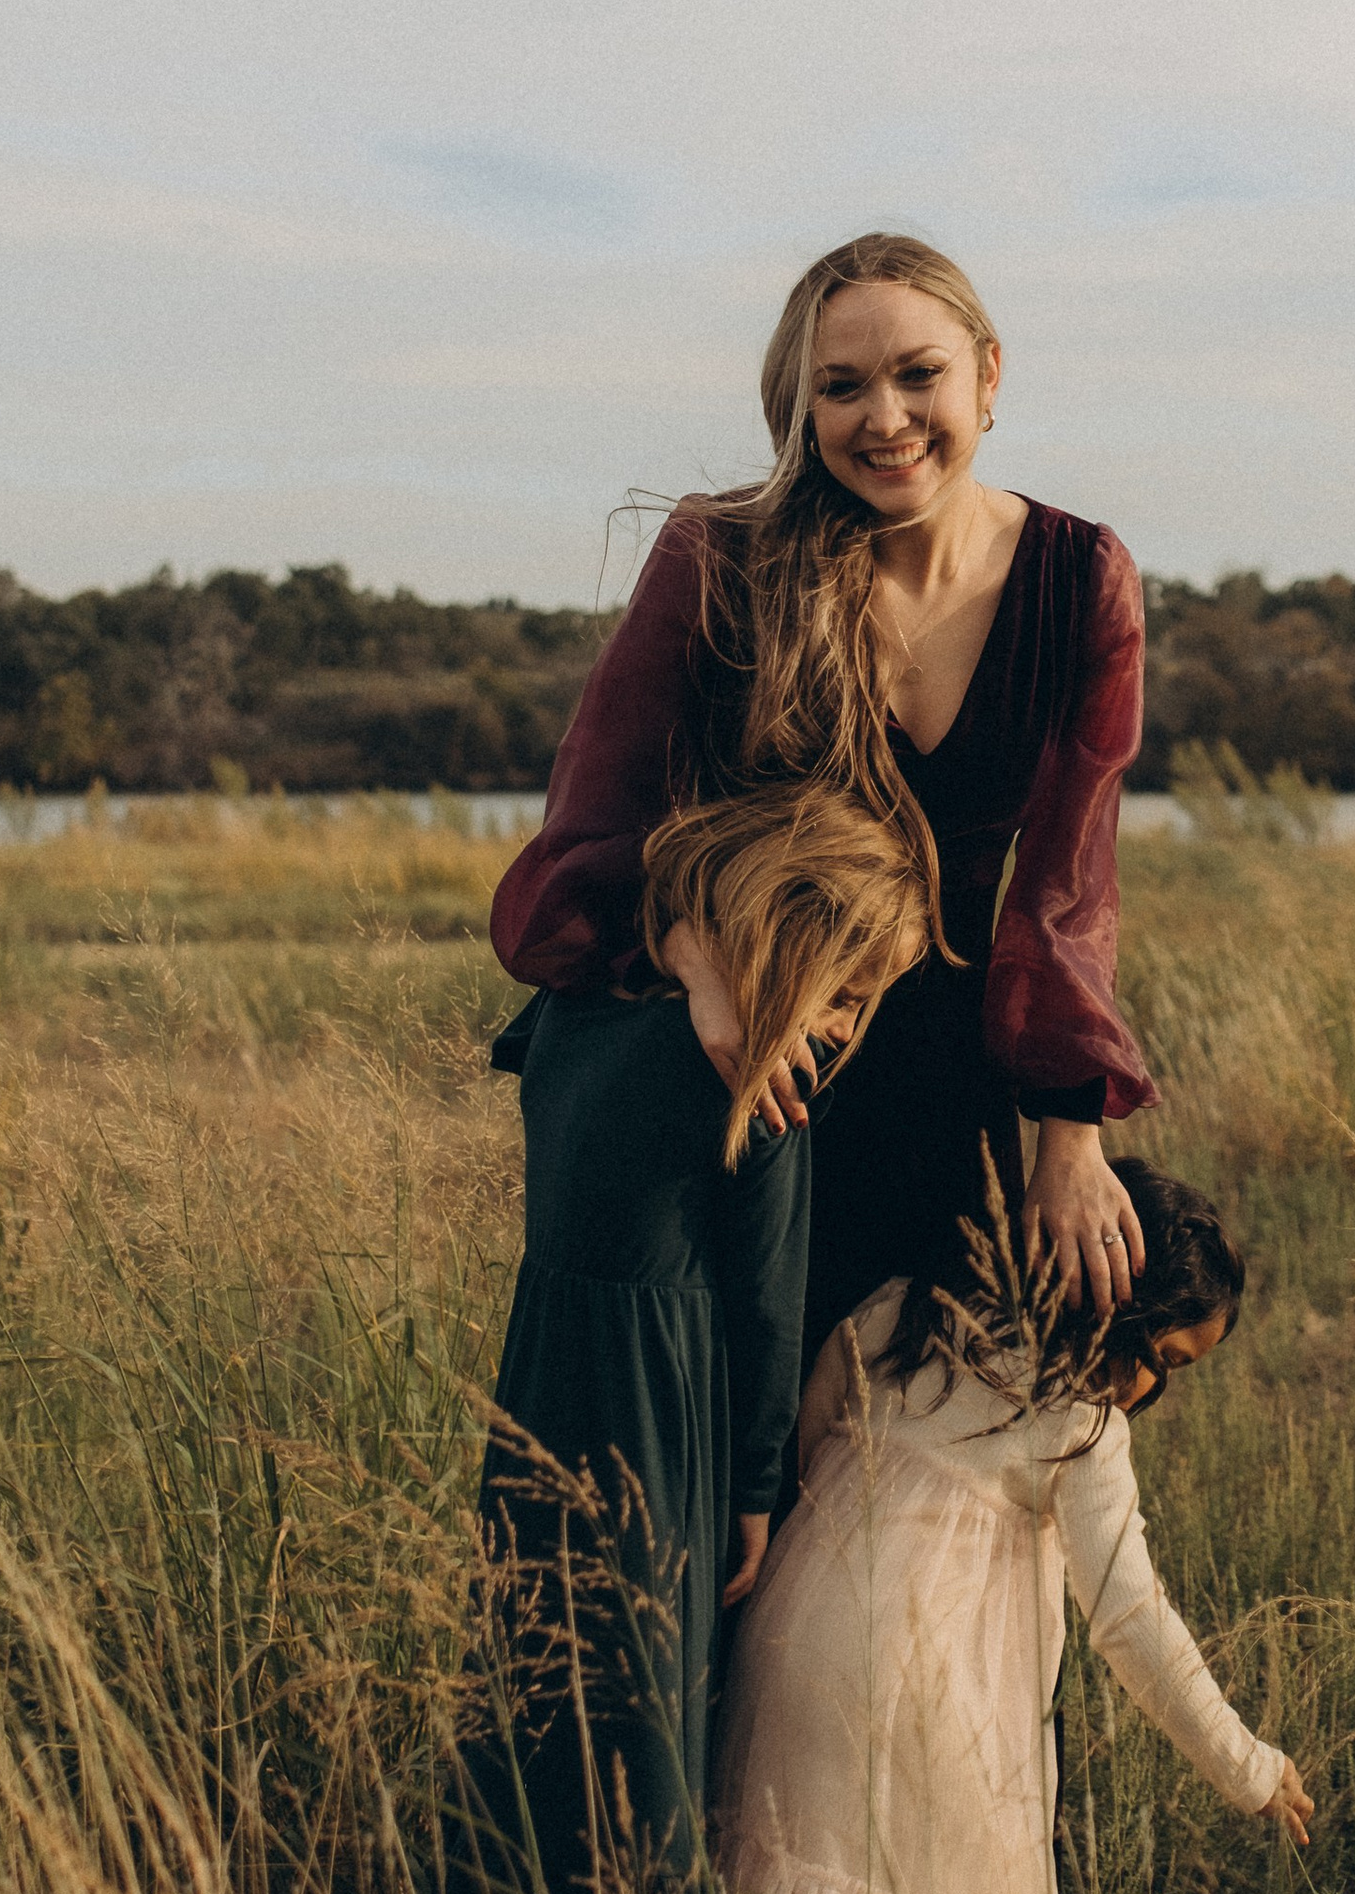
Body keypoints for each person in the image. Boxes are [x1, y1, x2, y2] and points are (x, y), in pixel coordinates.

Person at [491, 232, 1157, 1364]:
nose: (884, 418)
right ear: (802, 408)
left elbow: (1064, 889)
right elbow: (589, 837)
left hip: (945, 1094)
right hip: (741, 1058)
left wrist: (1069, 1136)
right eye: (841, 387)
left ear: (988, 372)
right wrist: (699, 960)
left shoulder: (1078, 577)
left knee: (914, 1436)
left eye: (919, 374)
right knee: (729, 1441)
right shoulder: (724, 555)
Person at [711, 1162, 1313, 1894]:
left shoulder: (908, 1313)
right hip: (931, 1695)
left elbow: (809, 1431)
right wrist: (1249, 1764)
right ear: (1118, 1308)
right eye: (1165, 1360)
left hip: (796, 1648)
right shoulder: (1078, 1422)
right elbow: (1131, 1622)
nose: (1153, 1391)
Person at [453, 778, 932, 1894]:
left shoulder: (564, 1023)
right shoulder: (761, 1092)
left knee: (530, 1721)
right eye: (848, 993)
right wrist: (757, 1492)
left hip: (541, 1394)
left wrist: (685, 949)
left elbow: (538, 1016)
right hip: (663, 1429)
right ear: (792, 945)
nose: (843, 1029)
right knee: (651, 1756)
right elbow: (768, 1311)